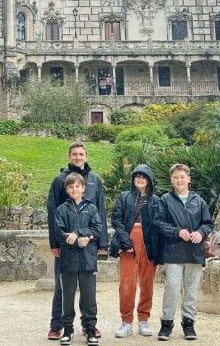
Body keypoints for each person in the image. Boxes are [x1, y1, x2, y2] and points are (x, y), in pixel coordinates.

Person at [47, 141, 108, 340]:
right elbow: (53, 213)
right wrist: (55, 243)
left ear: (86, 156)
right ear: (69, 156)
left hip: (88, 245)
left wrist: (102, 243)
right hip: (66, 244)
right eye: (74, 154)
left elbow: (100, 212)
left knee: (88, 287)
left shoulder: (94, 180)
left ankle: (88, 325)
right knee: (63, 286)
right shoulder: (59, 180)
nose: (78, 157)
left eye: (81, 154)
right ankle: (57, 325)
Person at [152, 164, 212, 341]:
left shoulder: (198, 201)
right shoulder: (165, 200)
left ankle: (188, 323)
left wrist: (200, 233)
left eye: (182, 177)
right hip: (173, 251)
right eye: (176, 177)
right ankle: (166, 323)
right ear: (171, 180)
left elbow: (207, 223)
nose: (179, 180)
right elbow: (158, 223)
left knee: (191, 290)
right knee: (172, 287)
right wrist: (177, 231)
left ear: (188, 179)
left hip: (194, 252)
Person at [111, 164, 160, 338]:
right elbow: (116, 219)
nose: (140, 178)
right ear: (133, 179)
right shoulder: (124, 197)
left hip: (149, 244)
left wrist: (157, 248)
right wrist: (125, 241)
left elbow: (159, 224)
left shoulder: (156, 201)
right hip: (128, 243)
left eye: (144, 176)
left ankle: (143, 319)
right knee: (127, 284)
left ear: (149, 180)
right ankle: (126, 321)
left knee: (147, 283)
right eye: (137, 175)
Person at [54, 173, 102, 345]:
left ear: (83, 188)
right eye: (71, 187)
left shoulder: (92, 208)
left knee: (89, 297)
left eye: (77, 186)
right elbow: (59, 234)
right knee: (67, 296)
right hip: (68, 259)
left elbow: (97, 228)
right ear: (67, 190)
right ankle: (67, 329)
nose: (74, 189)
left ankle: (90, 329)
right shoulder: (61, 210)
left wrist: (79, 234)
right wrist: (77, 241)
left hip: (87, 259)